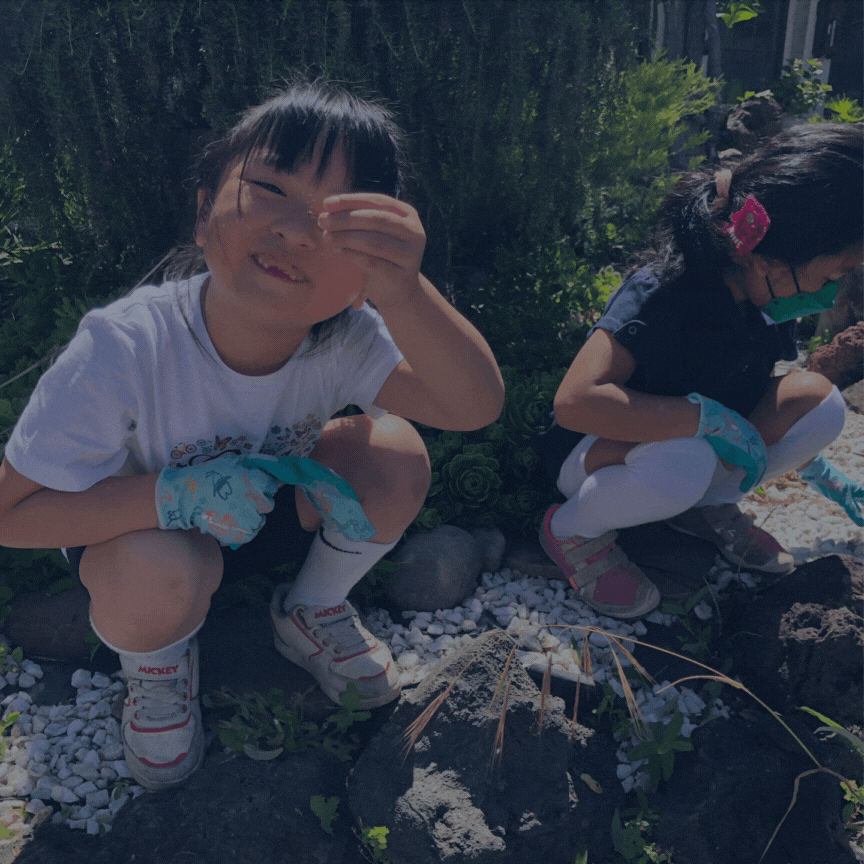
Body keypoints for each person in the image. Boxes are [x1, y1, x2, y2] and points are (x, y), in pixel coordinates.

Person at [0, 82, 504, 789]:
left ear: (366, 274)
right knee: (155, 568)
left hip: (268, 516)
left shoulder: (348, 336)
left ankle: (311, 606)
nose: (296, 231)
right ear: (203, 213)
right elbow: (10, 513)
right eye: (269, 188)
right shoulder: (124, 347)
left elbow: (473, 405)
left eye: (340, 219)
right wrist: (173, 497)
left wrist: (407, 291)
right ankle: (157, 669)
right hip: (142, 539)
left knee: (392, 452)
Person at [536, 122, 863, 621]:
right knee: (683, 461)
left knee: (821, 404)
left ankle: (703, 506)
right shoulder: (662, 292)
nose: (833, 291)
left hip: (684, 452)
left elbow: (759, 391)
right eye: (832, 274)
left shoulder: (767, 298)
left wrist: (816, 468)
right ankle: (572, 530)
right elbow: (576, 402)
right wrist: (703, 419)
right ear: (769, 259)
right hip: (597, 454)